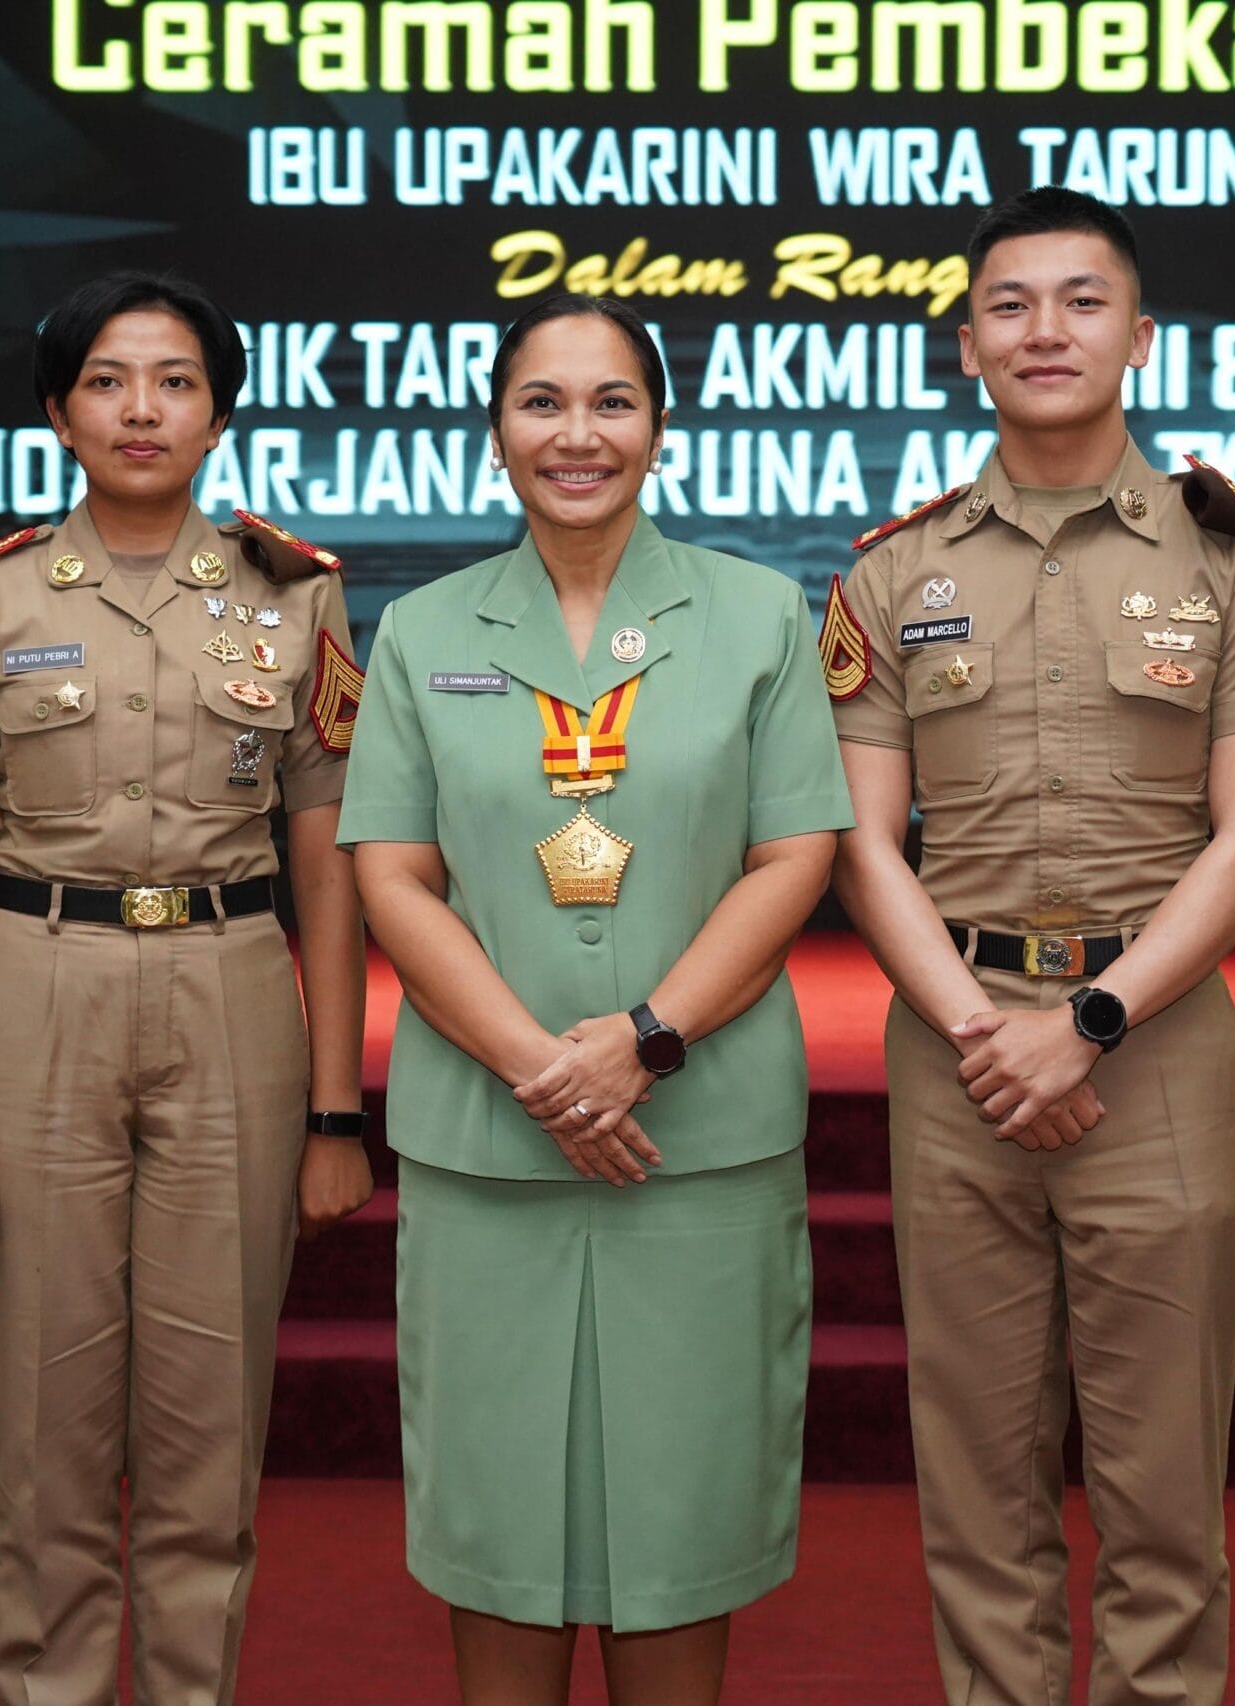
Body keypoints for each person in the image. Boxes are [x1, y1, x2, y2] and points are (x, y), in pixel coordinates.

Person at [828, 187, 1235, 1706]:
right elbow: (862, 844)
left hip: (1154, 1043)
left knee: (1163, 1490)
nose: (1047, 330)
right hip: (954, 1047)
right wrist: (989, 1032)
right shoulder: (892, 571)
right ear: (967, 344)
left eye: (1083, 301)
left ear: (1141, 337)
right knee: (977, 1483)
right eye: (1011, 304)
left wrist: (1087, 1022)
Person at [336, 292, 852, 1706]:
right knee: (497, 1527)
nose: (579, 434)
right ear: (496, 430)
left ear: (661, 430)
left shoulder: (757, 614)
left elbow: (794, 856)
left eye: (613, 402)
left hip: (701, 1143)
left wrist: (647, 1038)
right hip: (488, 1148)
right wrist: (541, 1068)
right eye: (543, 402)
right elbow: (394, 878)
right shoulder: (421, 629)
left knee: (683, 1527)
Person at [0, 270, 373, 1704]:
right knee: (46, 1428)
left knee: (207, 1435)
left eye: (175, 381)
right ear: (58, 412)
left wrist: (336, 1113)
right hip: (38, 986)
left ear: (219, 414)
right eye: (107, 380)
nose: (141, 409)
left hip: (232, 993)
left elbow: (329, 868)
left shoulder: (298, 594)